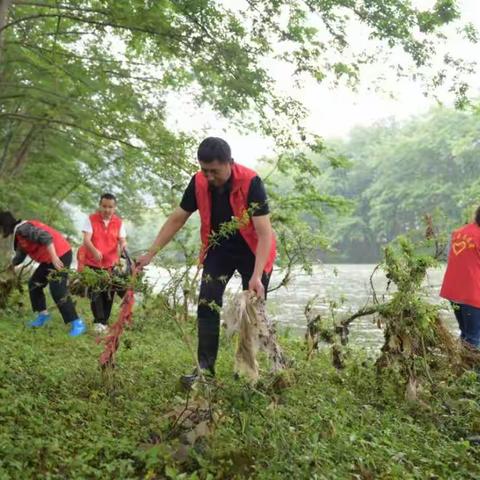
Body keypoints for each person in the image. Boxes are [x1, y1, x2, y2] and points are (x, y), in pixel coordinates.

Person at [136, 137, 276, 384]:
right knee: (207, 303)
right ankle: (205, 369)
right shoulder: (198, 182)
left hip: (252, 250)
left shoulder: (251, 182)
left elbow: (265, 233)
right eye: (205, 170)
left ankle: (259, 370)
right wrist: (151, 253)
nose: (209, 176)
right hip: (219, 249)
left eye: (215, 171)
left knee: (254, 310)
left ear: (229, 163)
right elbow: (177, 218)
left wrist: (256, 275)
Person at [0, 211, 86, 336]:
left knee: (57, 289)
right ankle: (43, 316)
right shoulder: (19, 234)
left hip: (60, 254)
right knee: (34, 284)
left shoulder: (24, 229)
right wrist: (12, 265)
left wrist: (55, 257)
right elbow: (21, 254)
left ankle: (77, 322)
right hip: (50, 258)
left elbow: (46, 237)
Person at [80, 193, 127, 333]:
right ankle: (98, 321)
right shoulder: (91, 219)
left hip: (111, 264)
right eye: (104, 206)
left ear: (114, 207)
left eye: (110, 207)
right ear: (100, 206)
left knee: (108, 293)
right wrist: (94, 251)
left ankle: (104, 321)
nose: (107, 210)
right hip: (92, 263)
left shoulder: (118, 222)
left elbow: (122, 239)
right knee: (96, 292)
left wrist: (124, 245)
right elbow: (86, 240)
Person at [440, 206, 480, 349]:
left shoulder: (458, 232)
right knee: (473, 339)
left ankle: (461, 369)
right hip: (473, 295)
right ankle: (471, 371)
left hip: (453, 292)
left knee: (466, 334)